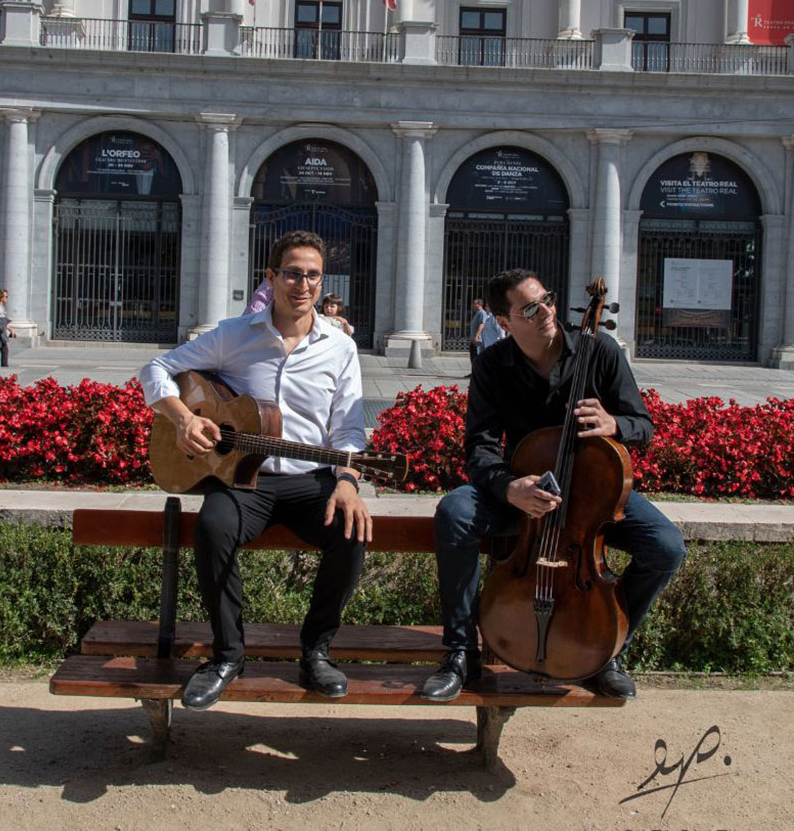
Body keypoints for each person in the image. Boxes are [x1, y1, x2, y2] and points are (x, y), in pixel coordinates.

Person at [422, 268, 686, 703]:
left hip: (592, 497)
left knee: (666, 546)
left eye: (547, 298)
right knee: (455, 513)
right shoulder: (492, 365)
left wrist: (614, 423)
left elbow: (643, 425)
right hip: (523, 494)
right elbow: (479, 449)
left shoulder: (598, 349)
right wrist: (509, 488)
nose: (545, 310)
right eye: (529, 307)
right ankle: (460, 653)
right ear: (503, 321)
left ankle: (606, 650)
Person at [139, 230, 370, 710]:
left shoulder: (340, 348)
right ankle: (227, 657)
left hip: (312, 480)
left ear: (321, 281)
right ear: (271, 277)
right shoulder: (233, 335)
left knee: (352, 531)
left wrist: (347, 483)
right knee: (213, 526)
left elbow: (348, 430)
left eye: (312, 275)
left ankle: (316, 651)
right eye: (291, 273)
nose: (301, 285)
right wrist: (183, 419)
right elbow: (156, 369)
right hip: (245, 477)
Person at [468, 298, 485, 364]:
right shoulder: (478, 313)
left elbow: (481, 324)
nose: (472, 305)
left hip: (477, 341)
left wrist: (476, 336)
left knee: (476, 358)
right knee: (473, 358)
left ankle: (476, 373)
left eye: (474, 303)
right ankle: (474, 373)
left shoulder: (482, 313)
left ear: (479, 304)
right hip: (473, 340)